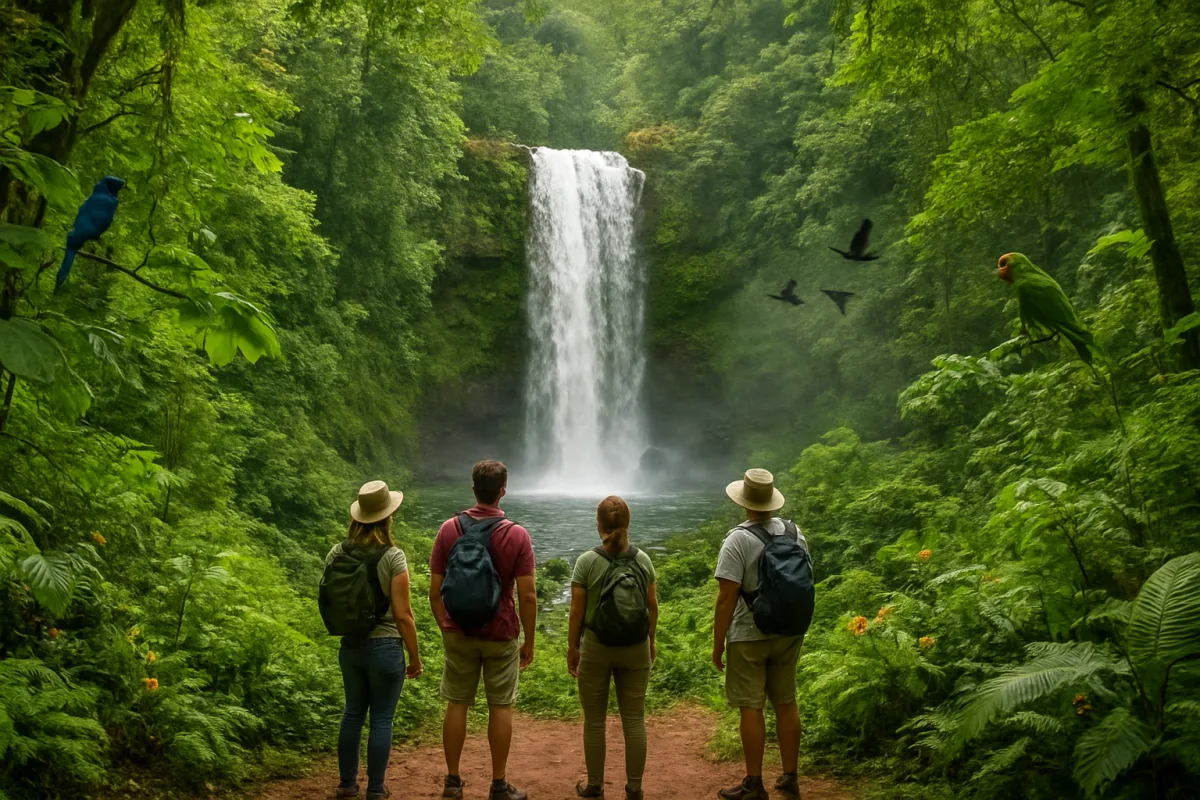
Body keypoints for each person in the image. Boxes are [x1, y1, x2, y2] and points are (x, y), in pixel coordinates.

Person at [430, 460, 537, 800]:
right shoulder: (517, 534)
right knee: (500, 706)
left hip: (458, 631)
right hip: (501, 631)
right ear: (503, 490)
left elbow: (435, 590)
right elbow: (528, 595)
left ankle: (452, 782)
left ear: (473, 488)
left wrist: (447, 626)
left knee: (457, 703)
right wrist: (529, 641)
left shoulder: (449, 529)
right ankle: (498, 784)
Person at [324, 480, 423, 800]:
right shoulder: (393, 557)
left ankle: (346, 785)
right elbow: (404, 615)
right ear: (388, 517)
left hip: (350, 646)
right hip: (385, 648)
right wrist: (415, 657)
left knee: (353, 713)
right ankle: (376, 790)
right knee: (381, 718)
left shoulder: (336, 552)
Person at [712, 469, 807, 800]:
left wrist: (717, 644)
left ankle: (754, 783)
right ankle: (790, 777)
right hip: (789, 630)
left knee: (751, 706)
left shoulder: (737, 539)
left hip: (748, 634)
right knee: (786, 700)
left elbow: (726, 598)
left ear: (744, 502)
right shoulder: (796, 534)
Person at [568, 496, 659, 800]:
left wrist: (573, 647)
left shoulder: (586, 562)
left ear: (599, 524)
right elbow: (652, 606)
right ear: (627, 523)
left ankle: (595, 786)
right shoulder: (643, 560)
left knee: (594, 719)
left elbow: (577, 613)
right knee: (634, 718)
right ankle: (634, 788)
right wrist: (652, 640)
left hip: (596, 647)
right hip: (635, 648)